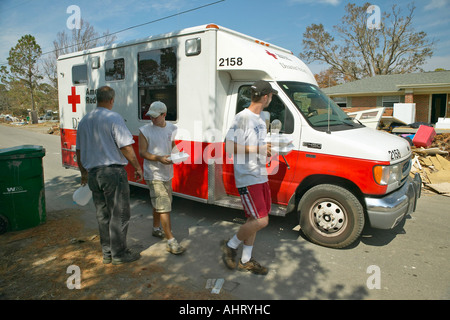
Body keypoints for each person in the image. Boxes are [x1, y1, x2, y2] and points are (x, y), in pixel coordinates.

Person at [76, 86, 143, 265]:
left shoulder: (84, 120)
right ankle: (120, 254)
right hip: (112, 173)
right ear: (111, 100)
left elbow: (79, 151)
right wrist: (137, 167)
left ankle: (107, 253)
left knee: (102, 214)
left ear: (97, 99)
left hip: (93, 174)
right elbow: (125, 146)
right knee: (119, 214)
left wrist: (83, 173)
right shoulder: (113, 117)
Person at [222, 80, 277, 275]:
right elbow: (229, 147)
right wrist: (258, 149)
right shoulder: (242, 118)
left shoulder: (261, 119)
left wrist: (265, 152)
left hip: (260, 174)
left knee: (253, 219)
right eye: (271, 96)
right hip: (248, 176)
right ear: (265, 97)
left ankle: (246, 260)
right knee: (262, 221)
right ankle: (230, 245)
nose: (271, 99)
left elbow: (258, 147)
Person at [138, 101, 185, 255]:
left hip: (167, 172)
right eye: (150, 116)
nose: (152, 119)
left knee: (160, 202)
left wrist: (177, 155)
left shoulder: (172, 128)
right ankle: (171, 240)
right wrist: (158, 158)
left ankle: (156, 228)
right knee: (164, 204)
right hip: (153, 173)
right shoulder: (145, 131)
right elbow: (142, 152)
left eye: (155, 117)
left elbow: (171, 144)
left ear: (164, 115)